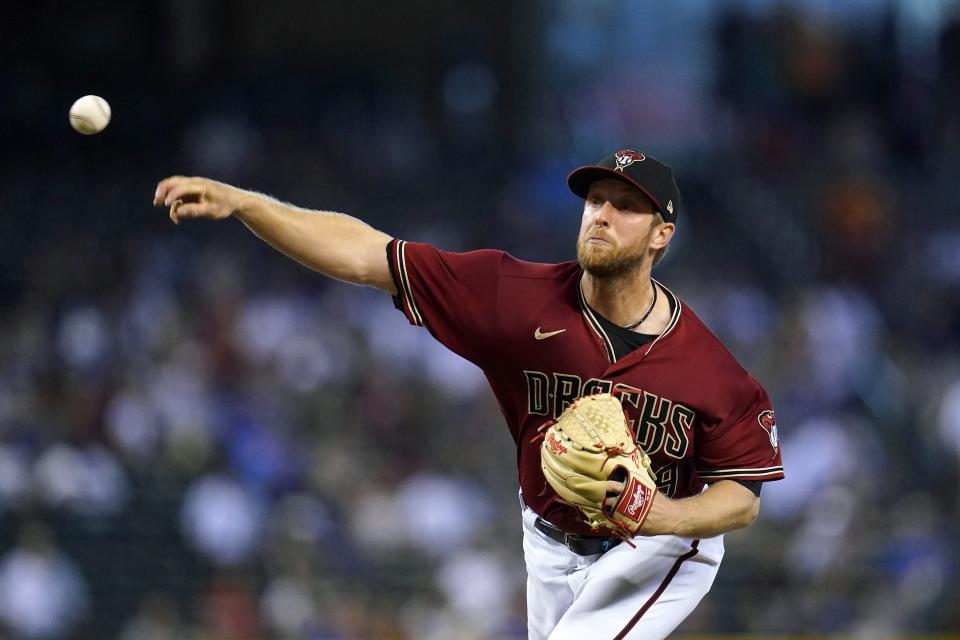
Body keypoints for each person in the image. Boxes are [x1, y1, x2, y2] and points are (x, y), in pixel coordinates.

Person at [153, 148, 784, 639]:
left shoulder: (709, 369)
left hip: (662, 546)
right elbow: (367, 256)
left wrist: (666, 517)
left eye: (626, 205)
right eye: (595, 199)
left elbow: (743, 498)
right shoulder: (514, 297)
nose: (601, 214)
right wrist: (245, 204)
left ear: (660, 235)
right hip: (547, 537)